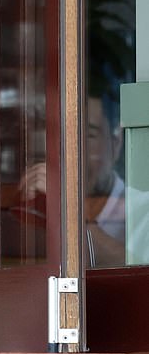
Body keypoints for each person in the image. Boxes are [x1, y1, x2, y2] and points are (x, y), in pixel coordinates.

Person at [19, 94, 125, 267]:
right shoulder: (44, 204)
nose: (73, 151)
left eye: (89, 135)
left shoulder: (141, 209)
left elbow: (134, 270)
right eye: (63, 136)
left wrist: (69, 211)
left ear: (116, 144)